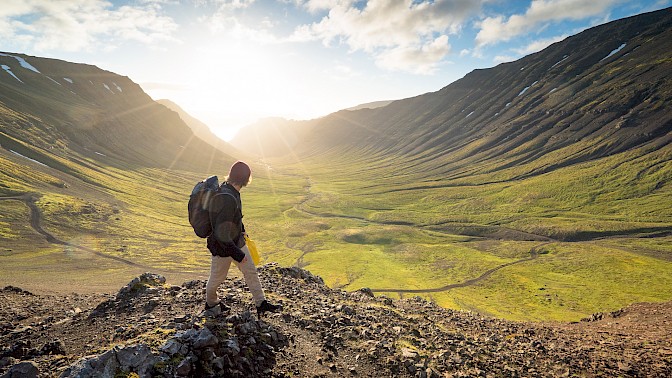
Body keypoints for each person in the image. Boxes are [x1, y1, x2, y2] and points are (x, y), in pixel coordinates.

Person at [204, 160, 281, 317]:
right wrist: (239, 255)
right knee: (217, 278)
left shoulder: (231, 192)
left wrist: (243, 232)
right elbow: (221, 233)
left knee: (250, 270)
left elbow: (235, 218)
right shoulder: (227, 197)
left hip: (236, 241)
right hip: (223, 247)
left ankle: (261, 303)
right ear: (246, 179)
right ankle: (211, 303)